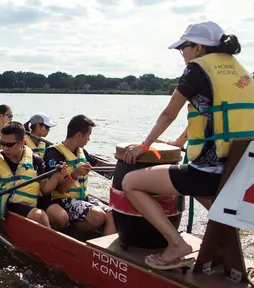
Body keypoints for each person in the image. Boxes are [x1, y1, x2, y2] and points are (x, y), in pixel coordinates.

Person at [121, 21, 254, 270]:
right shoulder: (241, 71)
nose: (182, 53)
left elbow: (169, 113)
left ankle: (176, 244)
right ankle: (224, 252)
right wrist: (179, 142)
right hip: (240, 172)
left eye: (184, 47)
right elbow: (215, 115)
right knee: (211, 201)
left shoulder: (197, 69)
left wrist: (145, 145)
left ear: (199, 48)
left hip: (209, 173)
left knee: (131, 183)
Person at [0, 121, 67, 228]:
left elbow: (45, 189)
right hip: (9, 202)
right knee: (40, 216)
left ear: (22, 143)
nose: (5, 148)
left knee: (61, 216)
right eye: (2, 143)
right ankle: (51, 242)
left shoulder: (36, 160)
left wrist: (56, 178)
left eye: (9, 145)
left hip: (32, 200)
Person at [43, 115, 117, 234]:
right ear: (79, 135)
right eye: (88, 135)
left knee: (112, 215)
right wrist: (74, 174)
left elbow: (98, 164)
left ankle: (103, 251)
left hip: (82, 198)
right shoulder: (54, 154)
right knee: (98, 216)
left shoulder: (81, 151)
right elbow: (60, 189)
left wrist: (121, 166)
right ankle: (69, 235)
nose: (89, 139)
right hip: (62, 201)